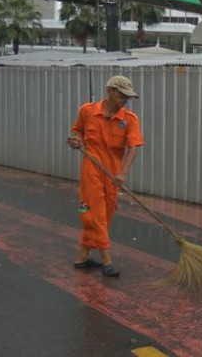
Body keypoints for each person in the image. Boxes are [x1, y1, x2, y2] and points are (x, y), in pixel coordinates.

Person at [67, 76, 144, 277]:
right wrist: (76, 141)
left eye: (128, 96)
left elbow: (133, 146)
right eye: (122, 95)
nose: (125, 99)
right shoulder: (87, 111)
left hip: (113, 174)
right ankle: (106, 259)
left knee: (107, 213)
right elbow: (77, 132)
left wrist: (123, 172)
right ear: (110, 91)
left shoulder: (130, 119)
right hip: (91, 168)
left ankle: (83, 255)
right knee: (93, 212)